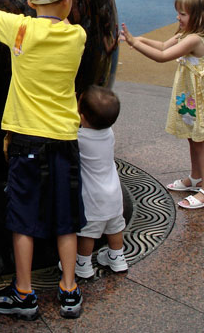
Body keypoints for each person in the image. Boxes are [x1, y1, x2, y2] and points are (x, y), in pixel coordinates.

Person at [0, 0, 87, 320]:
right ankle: (69, 289)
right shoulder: (77, 36)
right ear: (67, 0)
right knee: (66, 216)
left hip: (26, 141)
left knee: (24, 215)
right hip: (64, 139)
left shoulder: (20, 29)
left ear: (28, 1)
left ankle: (24, 292)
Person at [120, 0, 204, 209]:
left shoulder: (194, 39)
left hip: (201, 99)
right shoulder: (185, 35)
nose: (178, 17)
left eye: (183, 13)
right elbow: (164, 45)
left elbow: (163, 56)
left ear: (199, 16)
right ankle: (196, 178)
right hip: (191, 97)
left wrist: (135, 45)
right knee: (192, 138)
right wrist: (139, 39)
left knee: (201, 144)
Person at [70, 86, 127, 278]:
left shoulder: (80, 138)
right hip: (114, 193)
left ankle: (83, 263)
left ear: (82, 117)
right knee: (115, 227)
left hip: (93, 197)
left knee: (88, 233)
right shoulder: (109, 133)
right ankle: (117, 257)